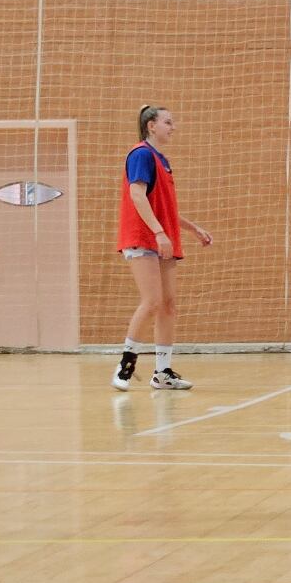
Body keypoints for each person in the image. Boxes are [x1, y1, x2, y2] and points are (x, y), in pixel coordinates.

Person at [113, 105, 213, 392]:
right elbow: (136, 194)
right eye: (168, 122)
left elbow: (165, 209)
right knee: (152, 301)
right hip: (143, 237)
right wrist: (158, 232)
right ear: (151, 126)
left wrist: (193, 229)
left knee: (168, 305)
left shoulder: (162, 161)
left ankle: (162, 372)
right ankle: (125, 366)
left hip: (162, 239)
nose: (173, 127)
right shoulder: (141, 154)